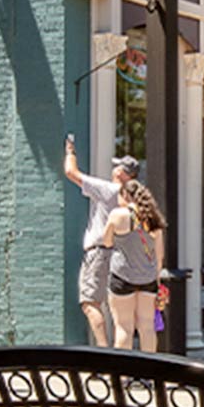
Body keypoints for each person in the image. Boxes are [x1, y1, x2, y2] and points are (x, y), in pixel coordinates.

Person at [62, 137, 138, 347]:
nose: (112, 170)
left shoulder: (108, 189)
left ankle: (104, 351)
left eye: (116, 168)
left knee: (90, 303)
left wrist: (70, 151)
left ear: (122, 173)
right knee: (119, 309)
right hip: (124, 254)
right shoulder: (136, 196)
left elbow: (71, 173)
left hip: (100, 252)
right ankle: (122, 356)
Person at [105, 181, 168, 351]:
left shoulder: (117, 215)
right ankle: (148, 373)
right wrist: (157, 281)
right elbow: (159, 256)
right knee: (147, 326)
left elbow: (107, 241)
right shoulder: (153, 218)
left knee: (124, 326)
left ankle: (123, 374)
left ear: (125, 195)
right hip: (147, 278)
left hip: (122, 276)